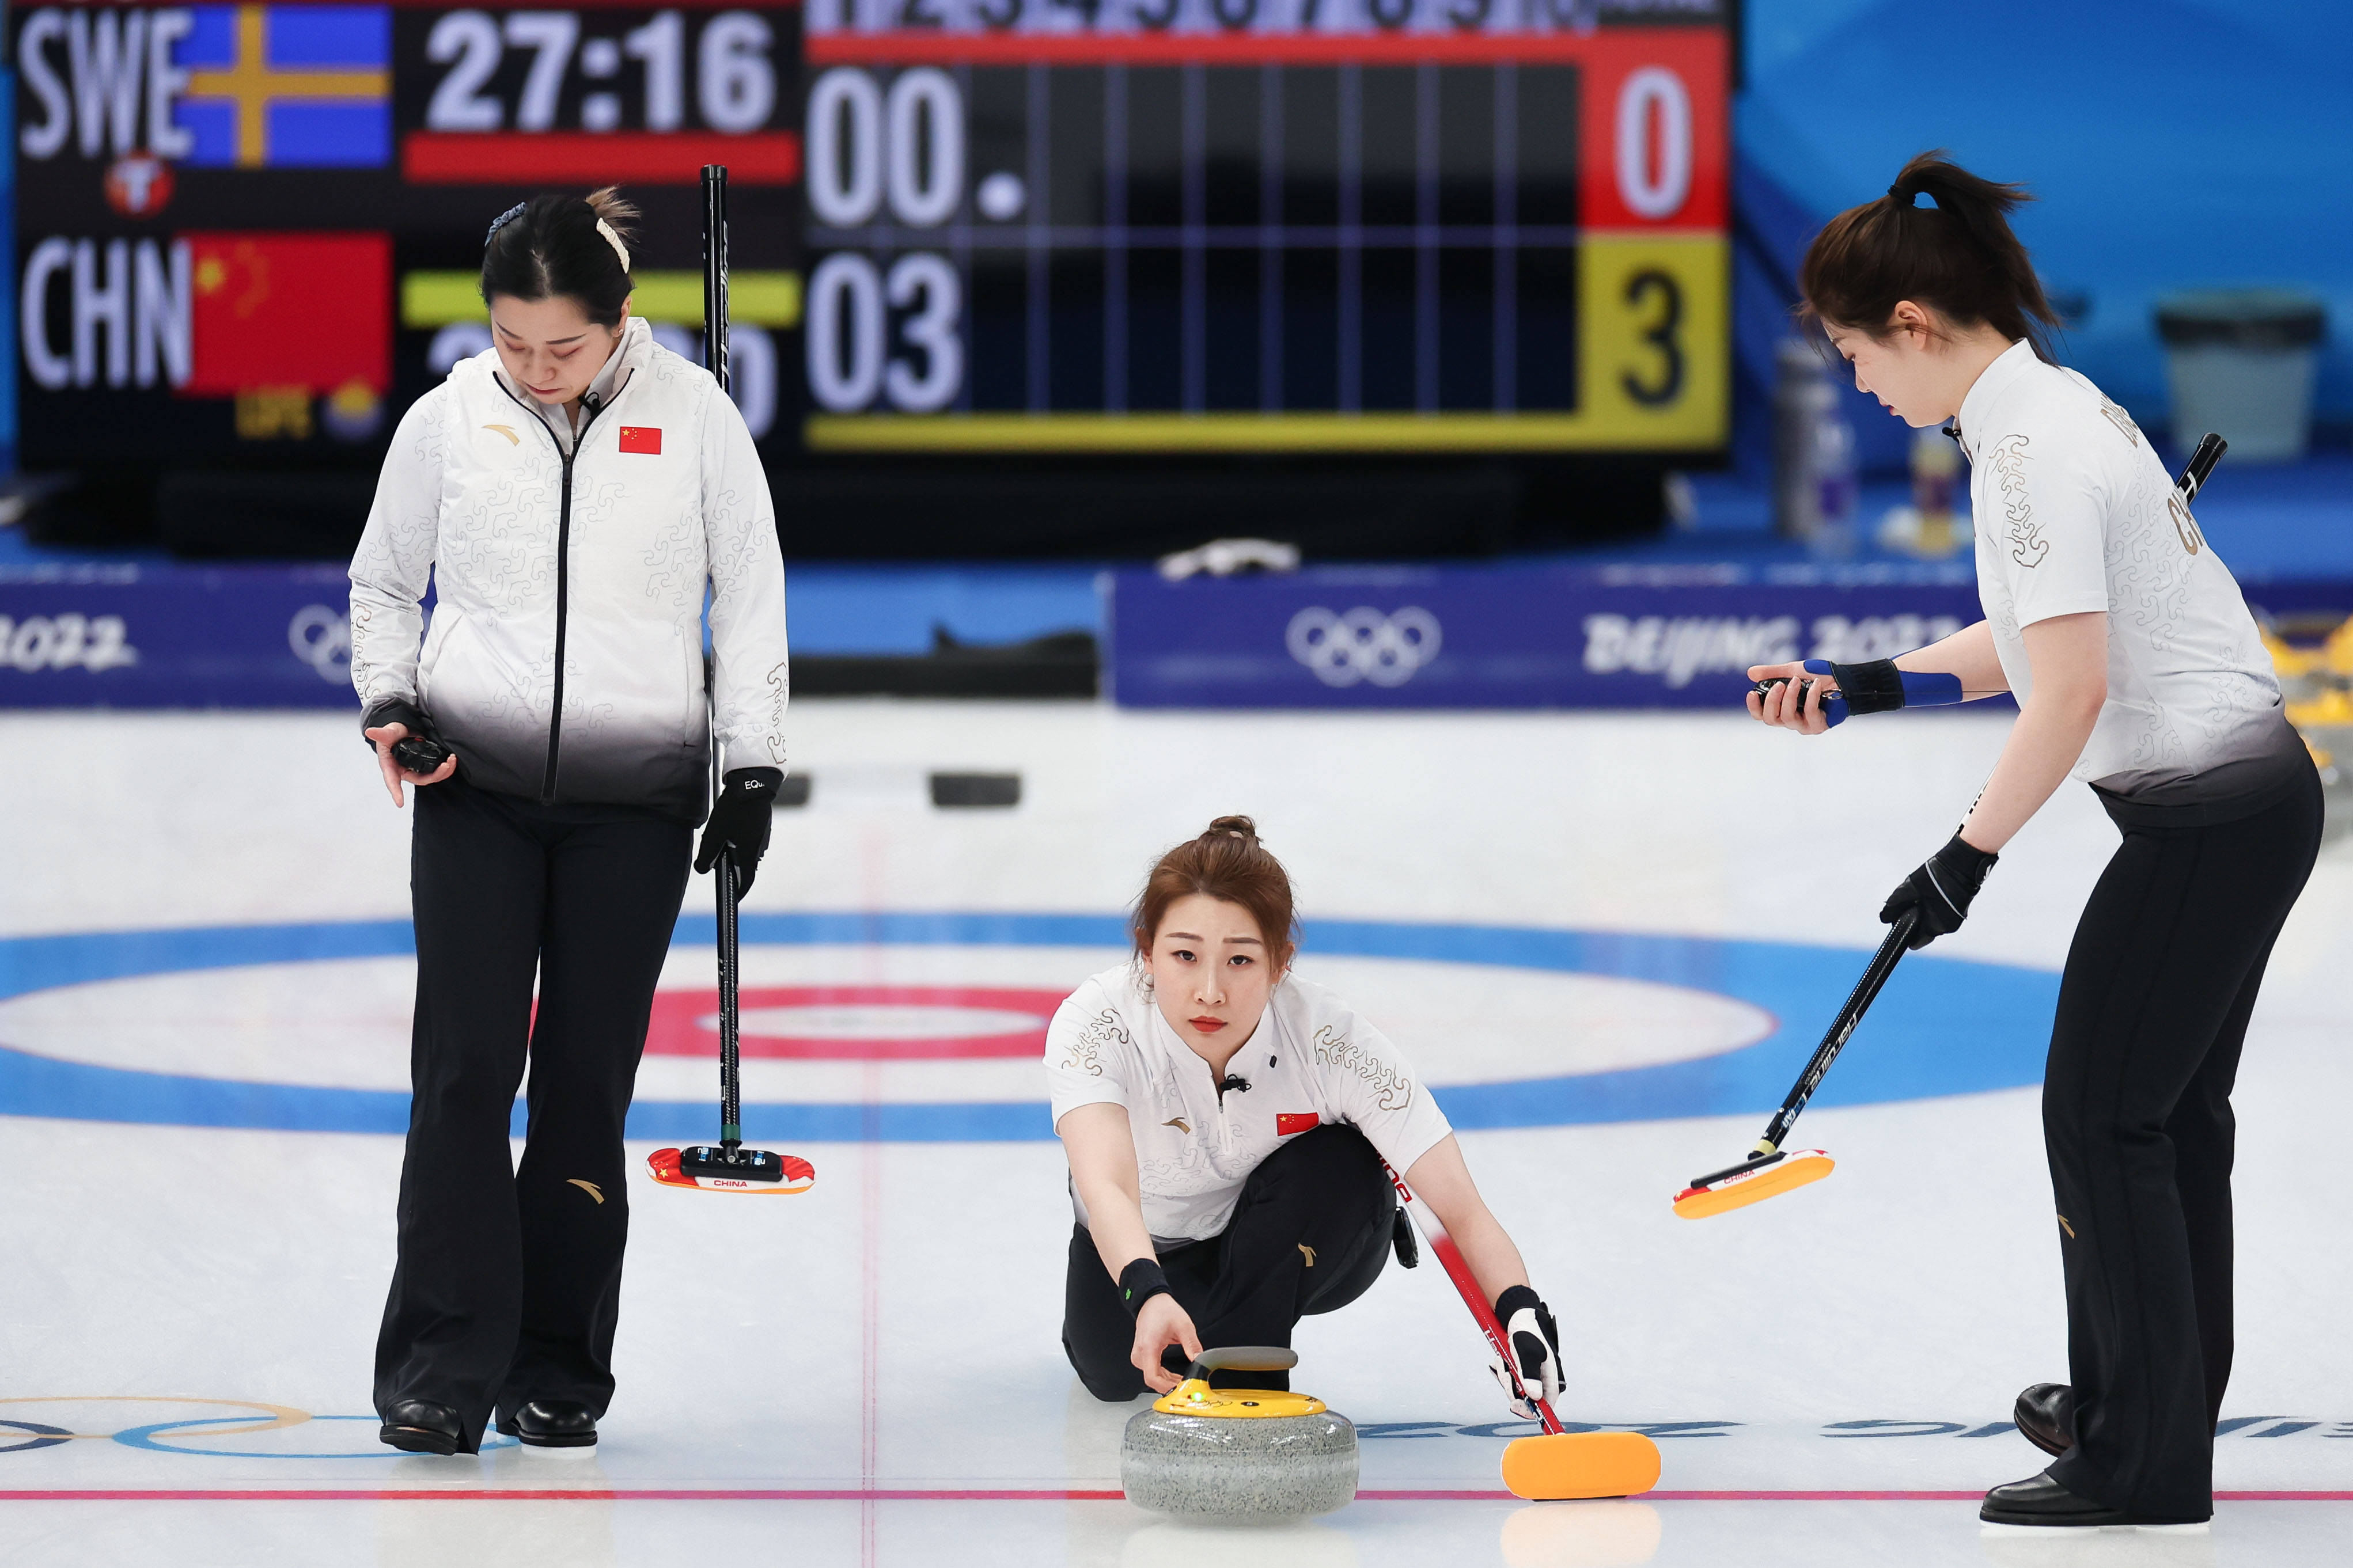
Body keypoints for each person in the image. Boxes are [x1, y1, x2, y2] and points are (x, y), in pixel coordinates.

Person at [1750, 152, 2321, 1530]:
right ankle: (2151, 1407)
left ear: (1912, 326)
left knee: (2101, 1114)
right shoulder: (2052, 413)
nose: (1861, 387)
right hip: (2245, 807)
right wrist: (1867, 685)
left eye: (1852, 356)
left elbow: (2062, 697)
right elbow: (2037, 645)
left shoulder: (2023, 454)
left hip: (2204, 820)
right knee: (2168, 1118)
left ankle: (2137, 1459)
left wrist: (1961, 857)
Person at [347, 188, 790, 1455]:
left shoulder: (697, 419)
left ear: (620, 321)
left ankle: (555, 1366)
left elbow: (749, 597)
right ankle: (437, 1364)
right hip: (471, 792)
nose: (535, 372)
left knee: (584, 1087)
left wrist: (752, 767)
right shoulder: (447, 418)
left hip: (634, 807)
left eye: (564, 348)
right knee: (461, 1074)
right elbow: (382, 581)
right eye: (512, 343)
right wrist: (389, 700)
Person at [1049, 816, 1564, 1414]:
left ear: (1279, 961)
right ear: (1147, 952)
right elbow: (1106, 1185)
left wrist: (1520, 1310)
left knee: (1340, 1156)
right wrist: (1146, 1293)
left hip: (1288, 1232)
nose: (1210, 990)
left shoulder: (1330, 1040)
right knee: (1114, 1373)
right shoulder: (1096, 1024)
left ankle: (1247, 1383)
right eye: (1184, 955)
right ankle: (1203, 1326)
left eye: (1240, 960)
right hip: (1146, 1242)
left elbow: (1459, 1206)